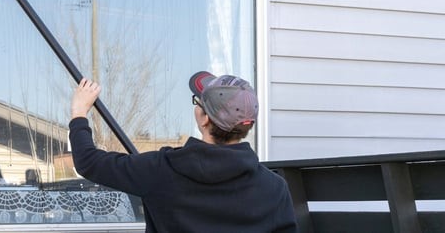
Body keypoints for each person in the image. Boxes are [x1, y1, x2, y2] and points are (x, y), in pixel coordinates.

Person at [68, 72, 297, 232]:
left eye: (198, 102)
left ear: (205, 119)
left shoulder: (161, 170)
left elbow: (88, 161)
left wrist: (79, 113)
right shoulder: (274, 188)